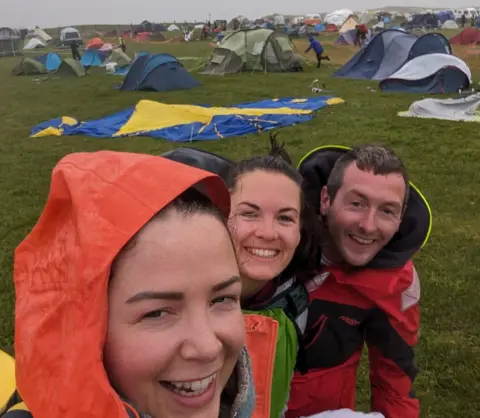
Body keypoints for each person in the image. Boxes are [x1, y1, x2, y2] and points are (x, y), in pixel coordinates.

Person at [4, 151, 256, 418]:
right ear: (83, 330)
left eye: (222, 299)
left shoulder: (237, 400)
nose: (208, 347)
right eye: (157, 313)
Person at [163, 136, 320, 418]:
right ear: (220, 216)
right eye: (249, 213)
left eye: (285, 218)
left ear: (299, 230)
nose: (268, 233)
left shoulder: (294, 302)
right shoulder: (169, 297)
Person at [286, 144, 432, 418]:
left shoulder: (394, 281)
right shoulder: (278, 234)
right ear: (326, 199)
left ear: (401, 219)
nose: (368, 225)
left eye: (387, 211)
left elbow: (395, 378)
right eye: (357, 203)